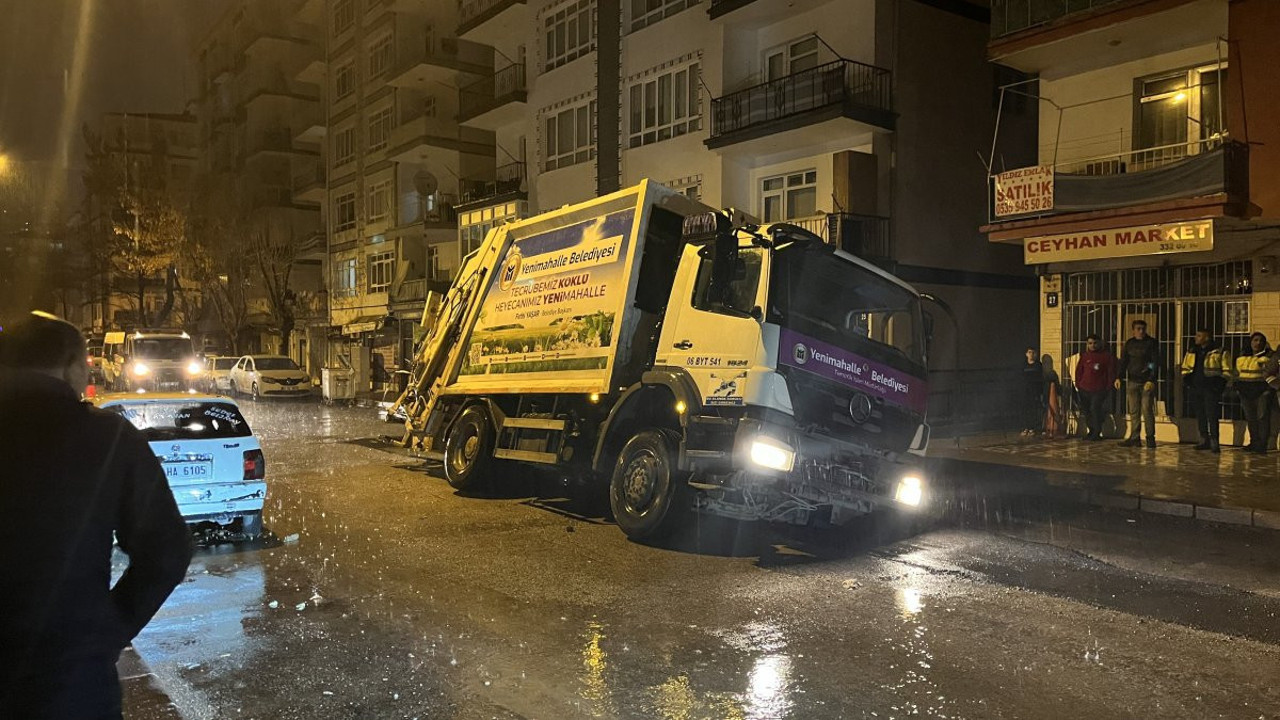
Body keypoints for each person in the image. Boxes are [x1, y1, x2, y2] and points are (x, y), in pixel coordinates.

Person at [0, 313, 193, 719]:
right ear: (73, 366)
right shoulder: (105, 438)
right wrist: (105, 631)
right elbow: (167, 549)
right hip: (68, 684)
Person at [1179, 327, 1231, 453]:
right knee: (1200, 415)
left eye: (1199, 336)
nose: (1195, 338)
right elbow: (1186, 367)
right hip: (1196, 387)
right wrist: (1187, 381)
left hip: (1211, 388)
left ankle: (1214, 441)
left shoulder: (1219, 351)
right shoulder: (1192, 350)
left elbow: (1227, 370)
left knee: (1212, 415)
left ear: (1207, 337)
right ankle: (1203, 439)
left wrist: (1219, 386)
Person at [1116, 319, 1161, 448]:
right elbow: (1124, 361)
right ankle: (1135, 438)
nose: (1141, 331)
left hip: (1146, 381)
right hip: (1132, 380)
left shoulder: (1151, 343)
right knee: (1134, 411)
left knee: (1147, 410)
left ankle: (1150, 438)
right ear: (1133, 330)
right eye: (1138, 329)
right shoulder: (1130, 344)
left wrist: (1151, 379)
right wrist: (1119, 377)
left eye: (1143, 329)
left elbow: (1154, 362)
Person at [1233, 331, 1276, 453]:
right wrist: (1237, 388)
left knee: (1262, 418)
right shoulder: (1242, 358)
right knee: (1251, 419)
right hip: (1245, 392)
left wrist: (1269, 390)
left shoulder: (1268, 358)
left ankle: (1262, 445)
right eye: (1255, 340)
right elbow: (1236, 374)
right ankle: (1254, 442)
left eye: (1260, 341)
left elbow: (1272, 374)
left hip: (1261, 392)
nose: (1258, 343)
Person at [1073, 334, 1118, 441]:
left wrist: (1107, 387)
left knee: (1095, 409)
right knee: (1086, 411)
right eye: (1090, 343)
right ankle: (1091, 430)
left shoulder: (1107, 356)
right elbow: (1079, 371)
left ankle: (1097, 432)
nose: (1092, 345)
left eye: (1095, 343)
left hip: (1099, 389)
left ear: (1099, 343)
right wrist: (1079, 385)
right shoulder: (1084, 356)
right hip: (1084, 389)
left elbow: (1110, 372)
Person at [1020, 347, 1043, 436]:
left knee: (1034, 409)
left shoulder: (1038, 365)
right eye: (1029, 352)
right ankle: (1025, 427)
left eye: (1033, 352)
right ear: (1026, 354)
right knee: (1025, 409)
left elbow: (1040, 378)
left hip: (1035, 391)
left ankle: (1032, 428)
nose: (1031, 354)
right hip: (1025, 391)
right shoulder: (1023, 365)